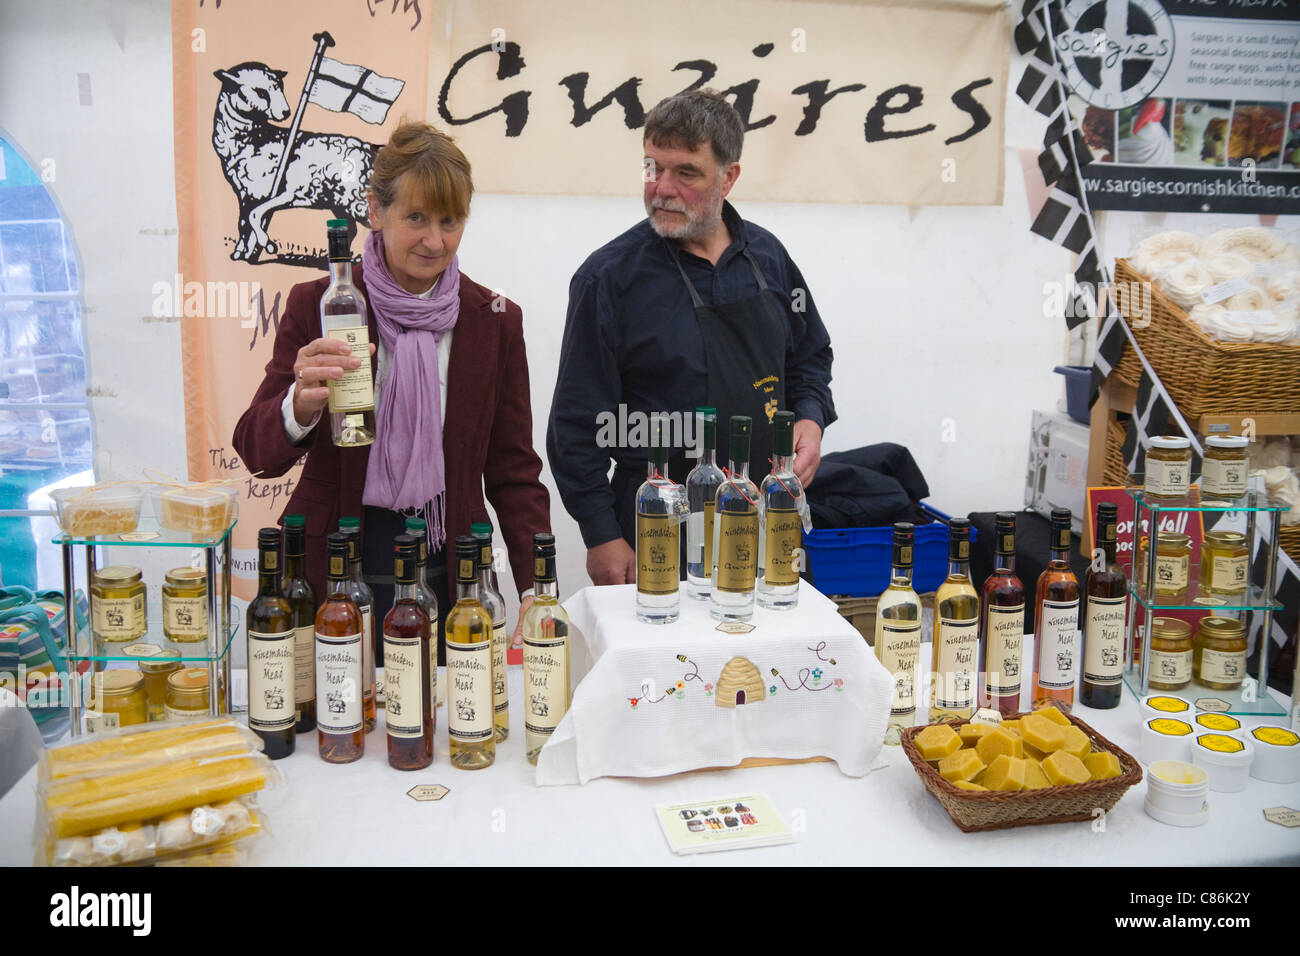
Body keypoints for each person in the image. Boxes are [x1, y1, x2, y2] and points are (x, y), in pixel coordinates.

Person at [233, 121, 550, 657]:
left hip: (451, 565)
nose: (435, 241)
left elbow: (513, 471)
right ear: (375, 211)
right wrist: (299, 407)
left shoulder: (493, 320)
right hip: (336, 561)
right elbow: (255, 452)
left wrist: (536, 590)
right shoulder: (322, 304)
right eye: (417, 218)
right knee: (339, 707)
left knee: (448, 704)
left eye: (450, 221)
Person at [547, 90, 836, 586]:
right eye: (652, 168)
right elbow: (575, 425)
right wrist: (600, 534)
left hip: (768, 518)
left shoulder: (768, 258)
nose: (662, 189)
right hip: (658, 528)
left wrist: (811, 417)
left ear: (729, 177)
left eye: (686, 172)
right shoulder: (608, 279)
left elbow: (809, 357)